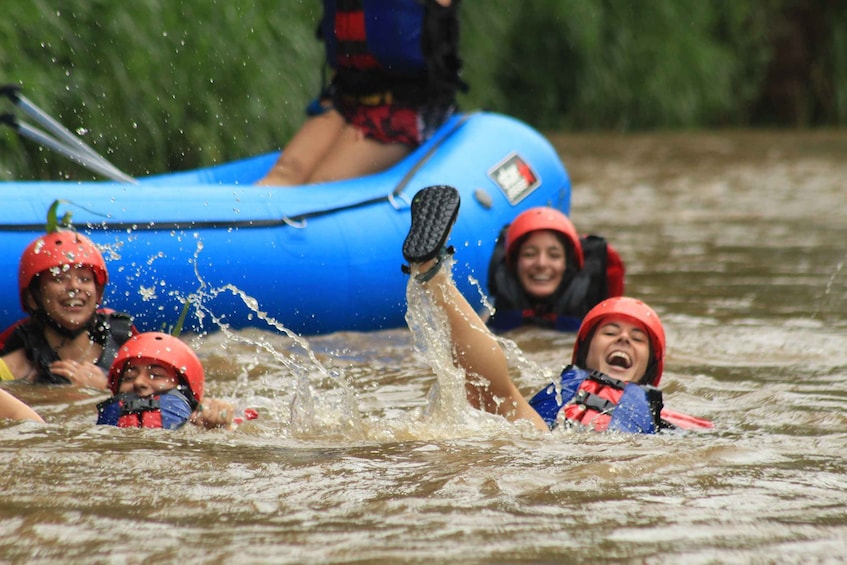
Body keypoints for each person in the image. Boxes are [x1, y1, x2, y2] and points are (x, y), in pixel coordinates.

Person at [401, 185, 713, 433]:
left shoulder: (663, 417)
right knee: (498, 396)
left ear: (650, 366)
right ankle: (434, 276)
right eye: (610, 331)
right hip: (545, 441)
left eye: (637, 337)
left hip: (601, 457)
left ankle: (433, 276)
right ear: (583, 354)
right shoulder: (564, 390)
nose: (623, 340)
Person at [257, 0, 466, 186]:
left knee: (322, 184)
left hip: (405, 107)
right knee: (285, 172)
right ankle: (236, 225)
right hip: (346, 98)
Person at [0, 231, 135, 389]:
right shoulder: (9, 370)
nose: (74, 287)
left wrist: (107, 389)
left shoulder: (128, 355)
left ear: (98, 294)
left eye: (84, 279)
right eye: (58, 279)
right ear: (32, 298)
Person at [485, 207, 625, 332]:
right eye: (529, 254)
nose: (541, 264)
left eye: (554, 255)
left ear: (567, 265)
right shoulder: (488, 312)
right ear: (515, 263)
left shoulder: (594, 317)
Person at [96, 332, 252, 430]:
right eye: (129, 377)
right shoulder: (98, 431)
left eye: (156, 375)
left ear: (186, 389)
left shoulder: (200, 427)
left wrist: (222, 426)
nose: (139, 383)